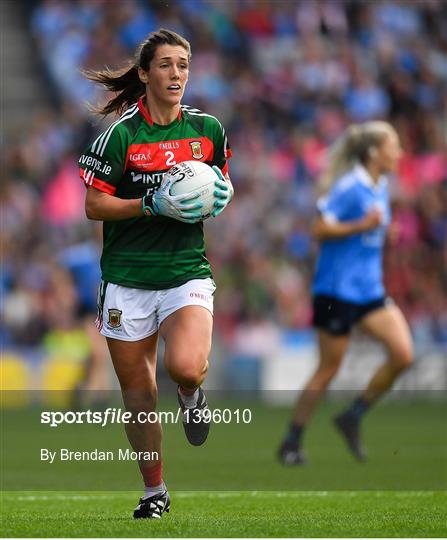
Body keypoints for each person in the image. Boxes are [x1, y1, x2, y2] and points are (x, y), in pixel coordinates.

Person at [78, 29, 233, 518]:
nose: (176, 74)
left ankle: (191, 394)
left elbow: (218, 182)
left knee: (185, 366)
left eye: (183, 65)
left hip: (184, 271)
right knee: (139, 397)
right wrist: (149, 203)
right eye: (165, 65)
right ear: (144, 74)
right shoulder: (121, 134)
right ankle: (155, 492)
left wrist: (223, 195)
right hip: (126, 278)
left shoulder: (208, 129)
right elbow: (94, 205)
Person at [278, 121, 413, 465]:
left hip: (369, 290)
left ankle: (352, 415)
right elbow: (319, 228)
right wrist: (363, 226)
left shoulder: (380, 183)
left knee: (403, 354)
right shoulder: (350, 186)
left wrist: (385, 232)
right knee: (328, 369)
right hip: (336, 291)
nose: (399, 152)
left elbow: (368, 230)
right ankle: (291, 441)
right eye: (393, 145)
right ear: (373, 153)